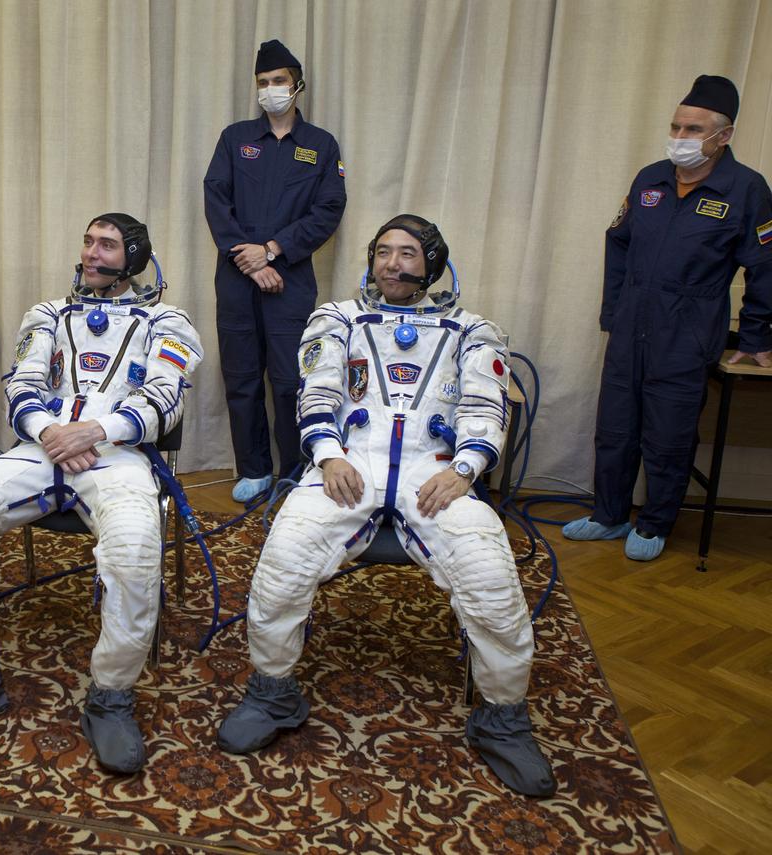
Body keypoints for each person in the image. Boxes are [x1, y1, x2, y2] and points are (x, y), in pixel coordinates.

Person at [216, 215, 557, 798]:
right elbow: (315, 392)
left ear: (433, 263)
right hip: (350, 465)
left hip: (437, 472)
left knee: (492, 581)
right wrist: (327, 455)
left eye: (407, 254)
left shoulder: (473, 330)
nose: (393, 264)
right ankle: (273, 693)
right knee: (280, 567)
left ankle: (502, 719)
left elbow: (484, 408)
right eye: (383, 253)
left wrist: (465, 469)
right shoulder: (336, 318)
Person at [0, 214, 203, 774]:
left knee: (137, 549)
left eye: (108, 245)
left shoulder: (169, 322)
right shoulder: (47, 314)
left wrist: (95, 431)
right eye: (89, 242)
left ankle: (111, 697)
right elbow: (21, 384)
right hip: (39, 450)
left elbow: (167, 398)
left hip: (118, 456)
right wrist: (50, 433)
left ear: (134, 257)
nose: (93, 254)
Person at [563, 75, 772, 561]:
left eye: (694, 129)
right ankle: (609, 515)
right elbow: (618, 242)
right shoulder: (650, 178)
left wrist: (758, 333)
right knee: (615, 428)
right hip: (631, 323)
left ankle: (654, 524)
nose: (680, 137)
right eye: (676, 126)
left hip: (687, 332)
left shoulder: (746, 189)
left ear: (724, 136)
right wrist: (614, 310)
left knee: (667, 434)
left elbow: (764, 267)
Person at [203, 38, 347, 503]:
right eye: (263, 82)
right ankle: (254, 470)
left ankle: (295, 471)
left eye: (279, 81)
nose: (271, 89)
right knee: (242, 380)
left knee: (289, 383)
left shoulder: (320, 145)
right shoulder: (235, 138)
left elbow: (328, 209)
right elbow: (216, 198)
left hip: (290, 281)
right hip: (236, 279)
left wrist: (272, 250)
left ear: (297, 85)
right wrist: (247, 258)